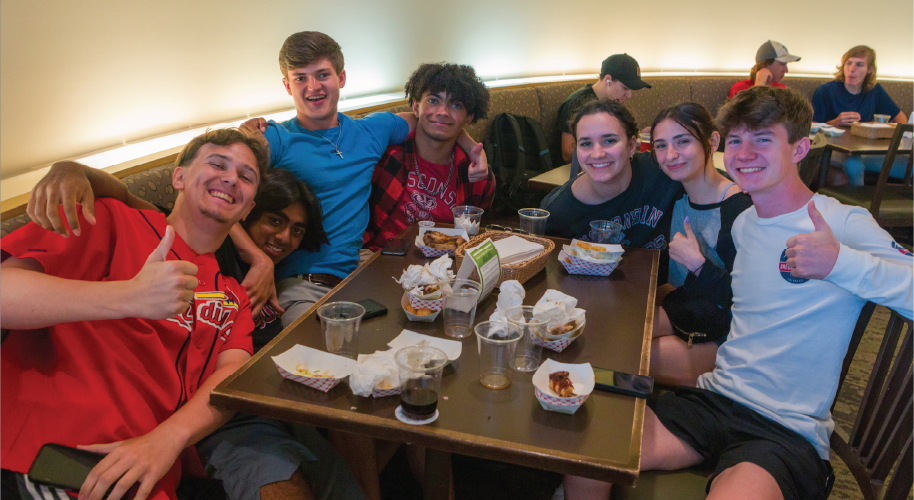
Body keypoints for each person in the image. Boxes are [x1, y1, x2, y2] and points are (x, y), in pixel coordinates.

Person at [563, 86, 913, 500]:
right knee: (586, 446)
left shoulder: (840, 222)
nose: (744, 154)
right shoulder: (745, 224)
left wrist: (842, 264)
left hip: (783, 428)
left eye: (762, 139)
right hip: (715, 397)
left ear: (800, 148)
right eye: (735, 141)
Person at [23, 161, 368, 500]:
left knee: (344, 480)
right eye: (275, 221)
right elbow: (128, 196)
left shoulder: (244, 285)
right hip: (224, 417)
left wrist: (261, 258)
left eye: (296, 230)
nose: (284, 237)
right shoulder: (176, 240)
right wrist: (71, 169)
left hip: (263, 401)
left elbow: (236, 367)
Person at [1, 129, 264, 500]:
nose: (231, 178)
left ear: (249, 207)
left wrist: (166, 440)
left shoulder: (234, 296)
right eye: (218, 163)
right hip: (61, 457)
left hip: (148, 471)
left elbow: (232, 375)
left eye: (246, 176)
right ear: (179, 177)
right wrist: (128, 296)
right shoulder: (112, 219)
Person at [239, 31, 487, 326]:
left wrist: (472, 148)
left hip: (358, 279)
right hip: (301, 284)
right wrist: (257, 257)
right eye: (300, 78)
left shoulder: (370, 131)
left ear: (341, 78)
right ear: (287, 86)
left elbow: (430, 119)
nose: (313, 87)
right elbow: (220, 195)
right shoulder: (276, 139)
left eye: (322, 75)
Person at [649, 103, 752, 387]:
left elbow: (750, 300)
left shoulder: (738, 210)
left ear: (713, 141)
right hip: (690, 310)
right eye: (661, 145)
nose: (670, 155)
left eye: (683, 141)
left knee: (627, 357)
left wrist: (698, 265)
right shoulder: (678, 196)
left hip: (727, 336)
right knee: (618, 334)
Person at [364, 62, 496, 251]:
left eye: (456, 105)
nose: (443, 112)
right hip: (379, 261)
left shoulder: (477, 175)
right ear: (416, 107)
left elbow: (474, 239)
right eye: (433, 101)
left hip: (444, 267)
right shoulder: (385, 154)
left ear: (469, 117)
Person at [541, 100, 682, 253]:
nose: (597, 154)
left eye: (609, 141)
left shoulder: (664, 171)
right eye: (586, 144)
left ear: (631, 145)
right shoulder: (557, 212)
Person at [812, 45, 910, 186]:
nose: (852, 69)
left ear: (869, 69)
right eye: (849, 63)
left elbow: (900, 118)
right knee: (854, 166)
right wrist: (836, 121)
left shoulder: (874, 91)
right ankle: (858, 206)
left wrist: (885, 131)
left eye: (859, 65)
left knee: (909, 165)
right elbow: (812, 128)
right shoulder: (825, 91)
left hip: (866, 150)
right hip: (835, 150)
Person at [555, 54, 651, 163]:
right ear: (608, 80)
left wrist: (641, 135)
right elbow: (568, 153)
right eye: (625, 88)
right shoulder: (577, 103)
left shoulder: (612, 103)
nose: (629, 95)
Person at [727, 40, 800, 99]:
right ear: (765, 63)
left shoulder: (782, 89)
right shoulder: (740, 89)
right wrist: (759, 87)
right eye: (782, 64)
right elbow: (742, 117)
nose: (786, 70)